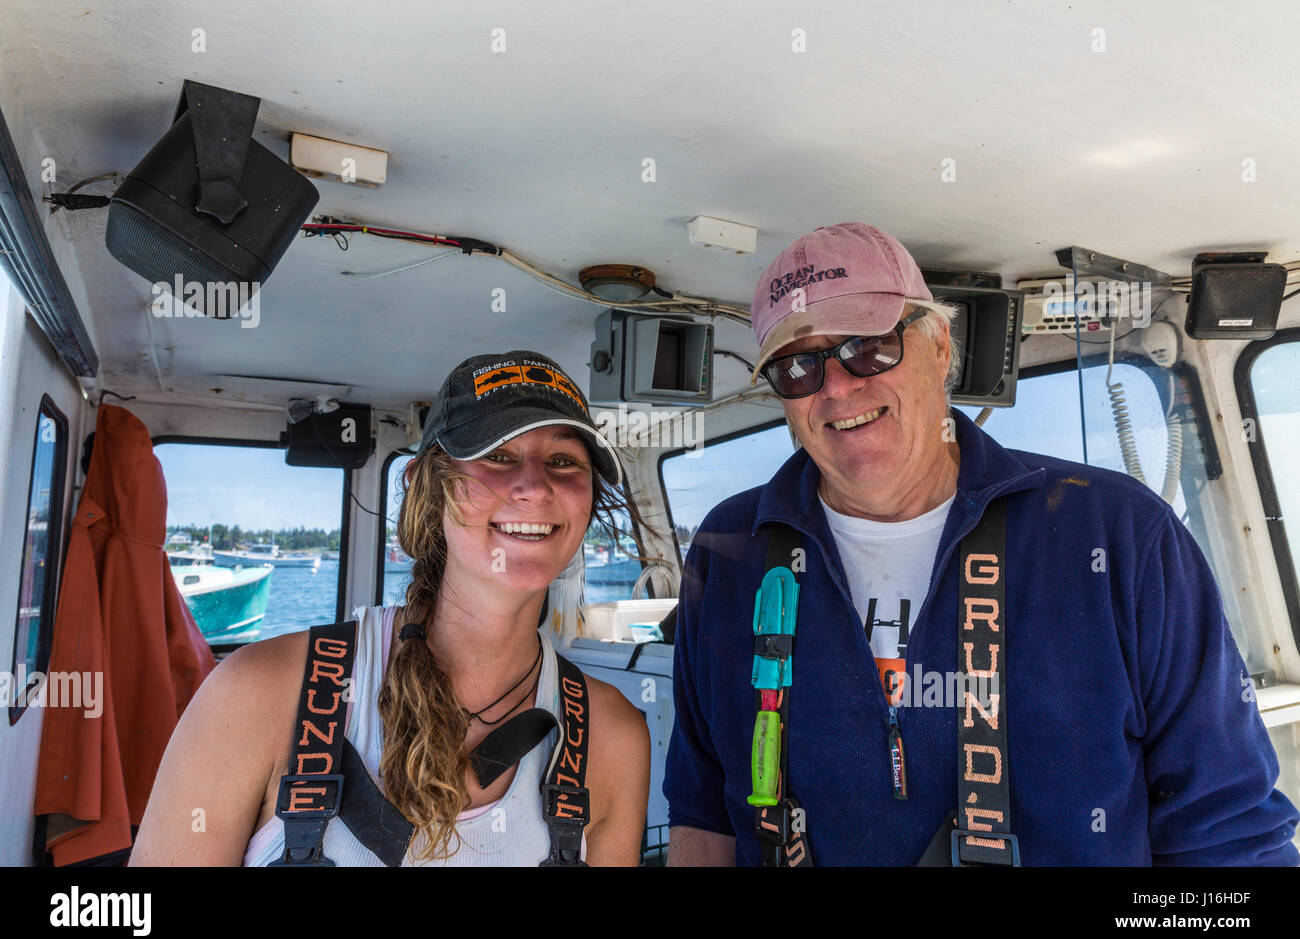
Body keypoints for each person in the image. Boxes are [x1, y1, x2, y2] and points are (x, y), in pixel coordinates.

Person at [664, 222, 1300, 866]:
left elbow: (1229, 831)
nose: (834, 387)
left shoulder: (1121, 535)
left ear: (939, 345)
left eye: (868, 347)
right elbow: (703, 810)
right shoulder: (727, 553)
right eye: (796, 368)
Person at [132, 350, 651, 866]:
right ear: (428, 487)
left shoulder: (613, 737)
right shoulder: (257, 693)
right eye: (497, 455)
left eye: (563, 461)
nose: (535, 487)